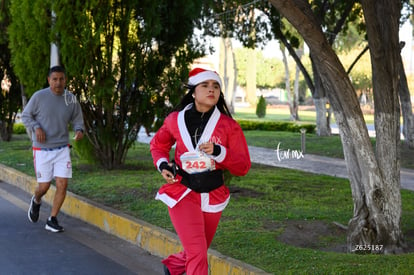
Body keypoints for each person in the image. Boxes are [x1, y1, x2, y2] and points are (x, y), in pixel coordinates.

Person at [150, 68, 251, 275]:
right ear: (194, 92)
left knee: (197, 250)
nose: (211, 90)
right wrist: (162, 165)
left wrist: (219, 152)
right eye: (205, 86)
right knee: (197, 252)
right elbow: (158, 145)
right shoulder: (174, 120)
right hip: (182, 191)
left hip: (213, 194)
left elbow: (243, 166)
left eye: (215, 86)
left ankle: (173, 267)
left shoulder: (228, 126)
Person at [22, 65, 84, 233]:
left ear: (65, 80)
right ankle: (36, 200)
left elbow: (77, 118)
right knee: (44, 187)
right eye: (54, 79)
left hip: (62, 148)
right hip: (42, 149)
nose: (58, 83)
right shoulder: (39, 97)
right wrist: (36, 127)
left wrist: (79, 130)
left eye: (61, 79)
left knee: (62, 184)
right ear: (49, 80)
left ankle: (52, 219)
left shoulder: (70, 98)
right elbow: (26, 116)